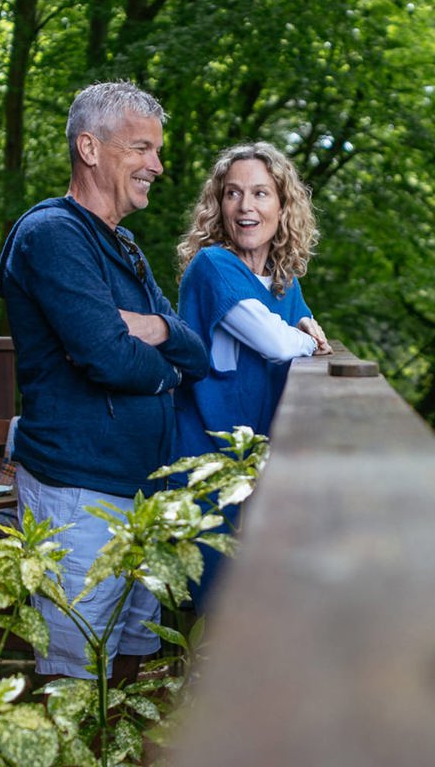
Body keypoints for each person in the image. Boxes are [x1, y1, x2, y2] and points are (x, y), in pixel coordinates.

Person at [0, 81, 208, 684]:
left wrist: (156, 330)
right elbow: (106, 358)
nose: (157, 166)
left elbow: (194, 346)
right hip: (78, 491)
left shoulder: (126, 246)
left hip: (138, 492)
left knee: (132, 655)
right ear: (90, 147)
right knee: (76, 672)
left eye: (157, 151)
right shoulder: (53, 234)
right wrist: (165, 366)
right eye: (141, 148)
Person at [174, 142, 332, 611]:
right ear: (218, 205)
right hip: (205, 466)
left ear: (283, 206)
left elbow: (307, 339)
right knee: (212, 614)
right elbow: (284, 343)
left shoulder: (285, 284)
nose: (246, 207)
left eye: (261, 194)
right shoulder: (213, 266)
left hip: (259, 471)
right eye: (233, 193)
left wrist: (304, 334)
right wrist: (302, 335)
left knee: (256, 610)